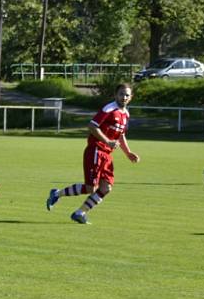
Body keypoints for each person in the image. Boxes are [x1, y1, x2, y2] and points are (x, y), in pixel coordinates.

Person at [45, 83, 140, 224]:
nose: (124, 97)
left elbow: (121, 135)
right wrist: (107, 141)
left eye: (127, 95)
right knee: (91, 188)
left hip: (107, 154)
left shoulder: (125, 114)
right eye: (121, 94)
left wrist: (128, 152)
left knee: (106, 187)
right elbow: (92, 126)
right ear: (116, 95)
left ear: (131, 97)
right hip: (96, 150)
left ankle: (80, 212)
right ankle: (57, 193)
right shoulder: (109, 109)